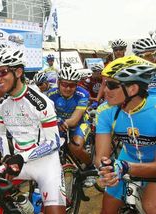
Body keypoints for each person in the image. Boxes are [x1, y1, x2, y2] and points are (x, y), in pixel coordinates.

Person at [0, 45, 66, 213]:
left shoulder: (40, 102)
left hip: (45, 164)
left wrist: (20, 157)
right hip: (20, 162)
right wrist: (7, 156)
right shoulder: (3, 105)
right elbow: (0, 135)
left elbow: (53, 143)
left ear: (18, 72)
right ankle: (22, 201)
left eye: (2, 72)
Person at [95, 55, 156, 214]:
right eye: (105, 84)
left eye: (111, 85)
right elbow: (100, 157)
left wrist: (126, 167)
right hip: (126, 160)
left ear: (133, 89)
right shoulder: (106, 112)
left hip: (150, 164)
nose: (105, 90)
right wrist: (105, 169)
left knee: (151, 206)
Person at [47, 66, 93, 169]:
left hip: (80, 123)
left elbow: (75, 120)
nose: (68, 88)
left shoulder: (82, 94)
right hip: (58, 124)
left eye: (72, 85)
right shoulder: (51, 94)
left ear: (77, 85)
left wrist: (61, 122)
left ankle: (91, 167)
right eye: (64, 84)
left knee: (75, 147)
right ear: (58, 83)